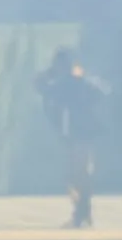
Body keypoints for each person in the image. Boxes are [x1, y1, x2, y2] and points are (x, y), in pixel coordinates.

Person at [35, 48, 109, 229]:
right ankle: (81, 213)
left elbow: (103, 91)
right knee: (72, 176)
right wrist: (51, 73)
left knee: (80, 173)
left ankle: (83, 214)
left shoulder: (79, 83)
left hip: (83, 134)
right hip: (70, 134)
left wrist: (81, 76)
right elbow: (41, 86)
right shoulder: (64, 84)